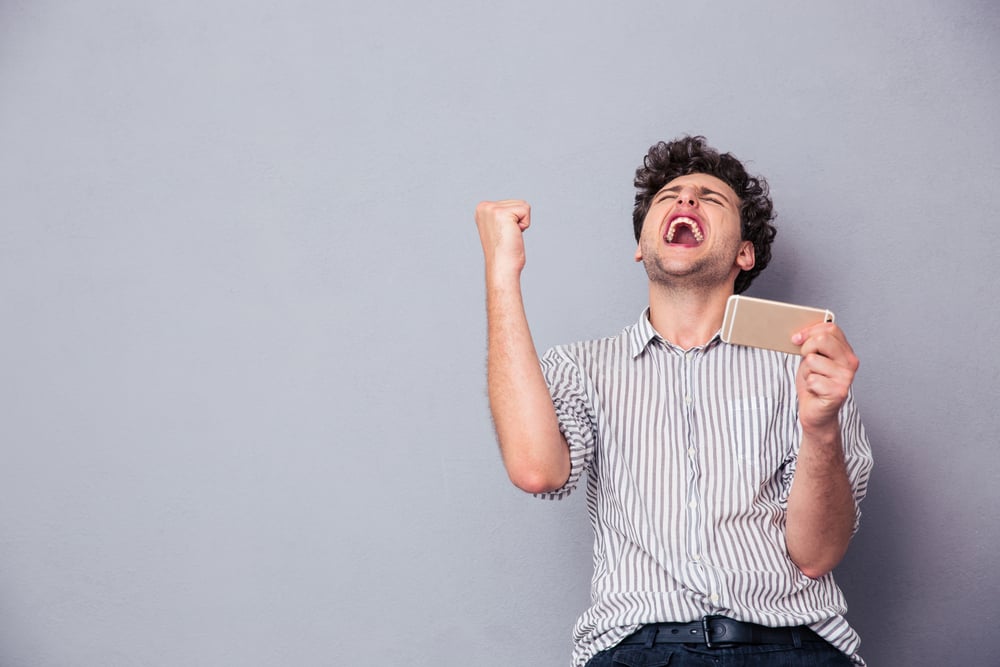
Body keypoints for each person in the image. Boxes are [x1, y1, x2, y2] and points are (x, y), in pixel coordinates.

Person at [474, 135, 874, 667]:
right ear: (642, 245)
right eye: (669, 196)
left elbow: (816, 554)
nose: (685, 200)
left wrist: (821, 426)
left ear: (744, 252)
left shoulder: (807, 369)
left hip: (792, 646)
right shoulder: (580, 368)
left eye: (711, 198)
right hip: (638, 651)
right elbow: (536, 471)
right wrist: (502, 272)